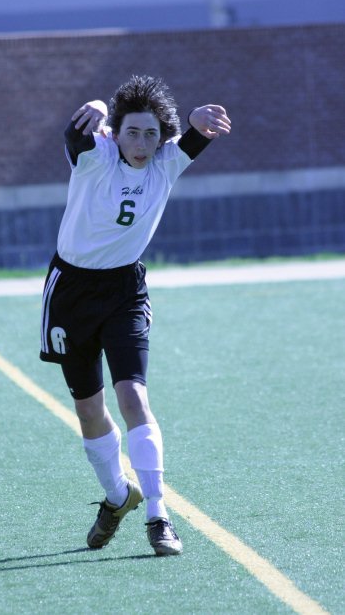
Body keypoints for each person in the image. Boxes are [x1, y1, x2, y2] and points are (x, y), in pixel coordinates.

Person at [40, 75, 231, 556]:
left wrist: (195, 122)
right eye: (132, 133)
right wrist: (94, 105)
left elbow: (192, 139)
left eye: (151, 134)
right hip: (71, 293)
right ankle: (118, 496)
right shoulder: (95, 156)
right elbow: (75, 136)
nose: (141, 145)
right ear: (114, 132)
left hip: (126, 290)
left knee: (133, 398)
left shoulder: (165, 164)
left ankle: (158, 516)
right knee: (88, 409)